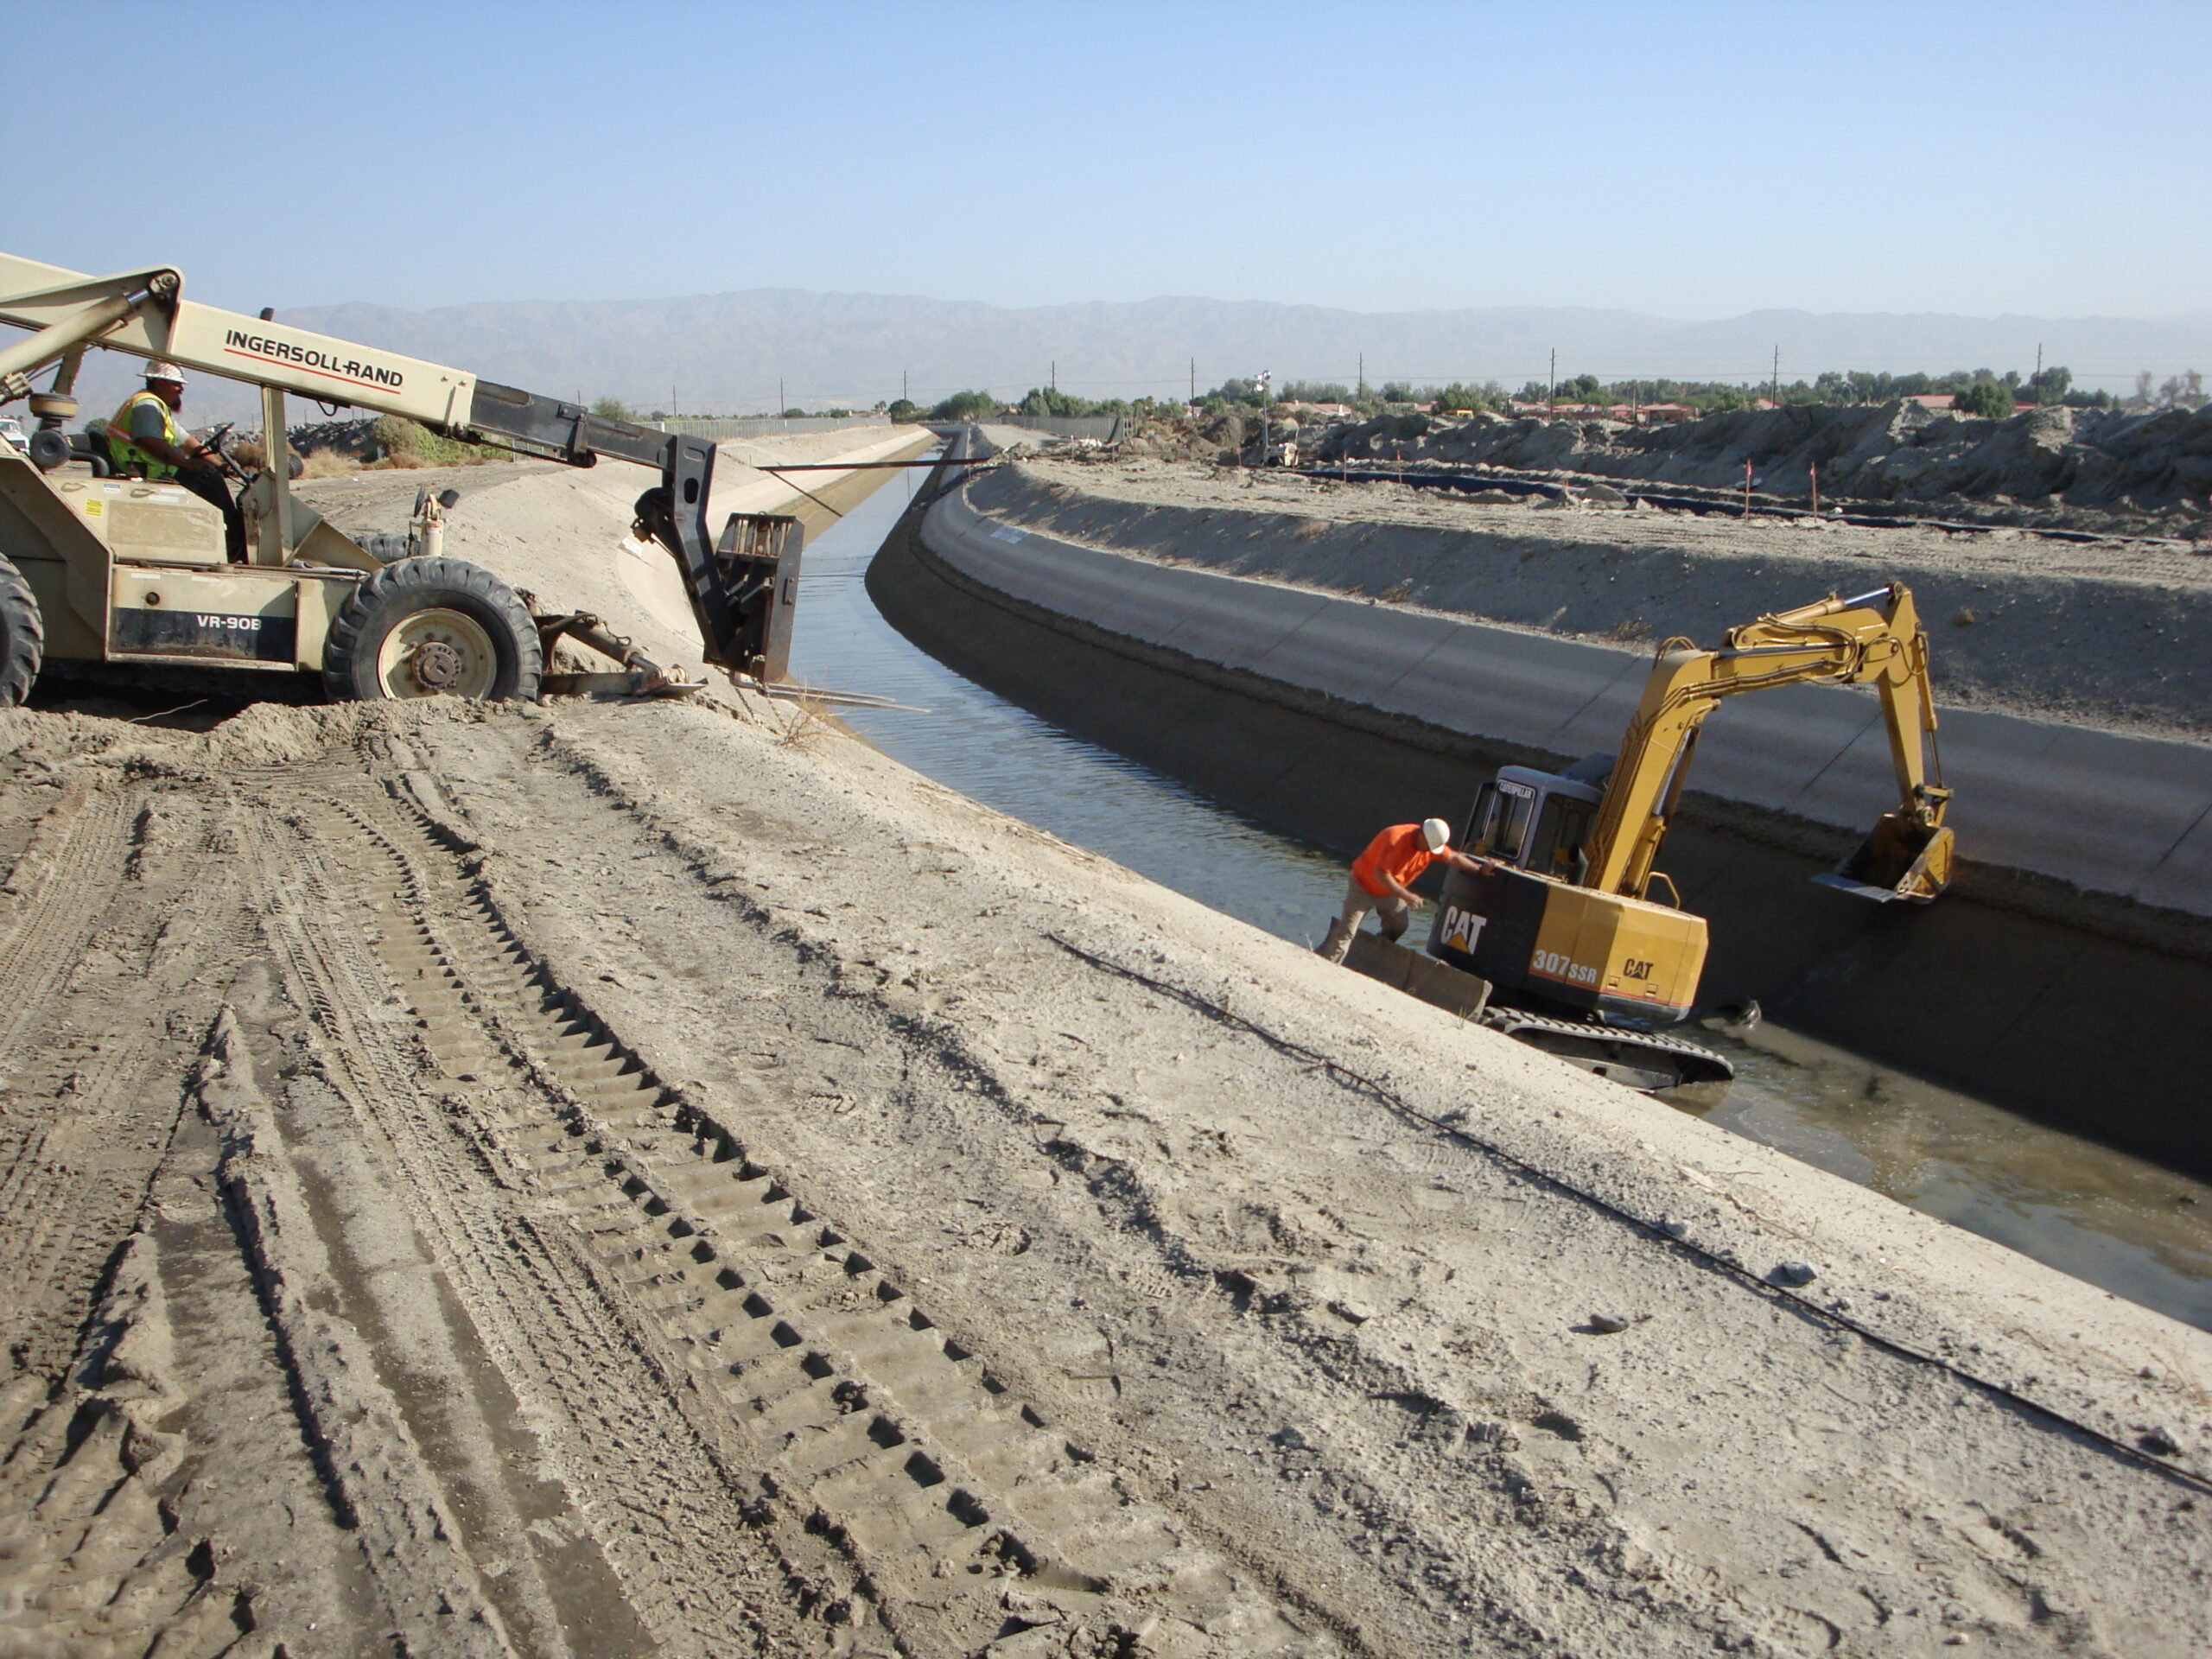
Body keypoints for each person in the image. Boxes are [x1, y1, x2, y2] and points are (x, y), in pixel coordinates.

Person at [105, 361, 246, 560]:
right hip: (146, 471)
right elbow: (150, 440)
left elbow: (189, 443)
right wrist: (188, 464)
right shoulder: (147, 405)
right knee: (207, 478)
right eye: (175, 384)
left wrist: (221, 465)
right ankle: (234, 542)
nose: (180, 389)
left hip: (151, 468)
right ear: (159, 382)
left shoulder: (158, 407)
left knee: (209, 471)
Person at [1319, 817, 1490, 963]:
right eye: (1429, 846)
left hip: (1390, 892)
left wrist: (1479, 869)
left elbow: (1452, 857)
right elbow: (1381, 875)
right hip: (1363, 886)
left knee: (1399, 925)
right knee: (1347, 932)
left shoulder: (1430, 844)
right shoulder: (1395, 839)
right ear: (1421, 834)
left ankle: (1373, 949)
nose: (1430, 851)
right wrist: (1406, 895)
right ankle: (1328, 965)